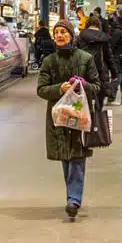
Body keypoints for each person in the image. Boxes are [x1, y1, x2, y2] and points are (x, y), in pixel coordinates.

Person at [35, 19, 101, 221]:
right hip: (58, 117)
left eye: (64, 32)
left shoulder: (86, 58)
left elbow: (97, 86)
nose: (60, 35)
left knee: (77, 158)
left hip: (80, 116)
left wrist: (83, 86)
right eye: (57, 33)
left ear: (72, 35)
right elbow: (41, 89)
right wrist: (59, 89)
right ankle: (72, 196)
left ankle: (73, 199)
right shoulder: (49, 61)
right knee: (66, 157)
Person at [76, 14, 119, 110]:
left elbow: (75, 55)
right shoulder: (104, 38)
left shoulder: (80, 37)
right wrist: (114, 73)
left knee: (85, 97)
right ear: (99, 25)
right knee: (100, 98)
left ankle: (87, 117)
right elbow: (109, 57)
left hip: (84, 72)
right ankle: (98, 117)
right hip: (101, 72)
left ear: (87, 25)